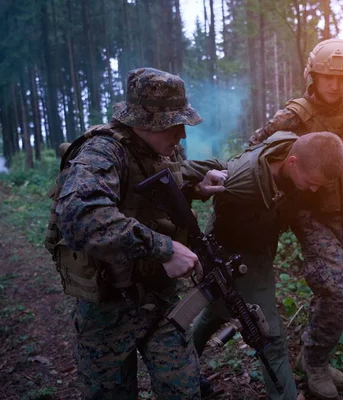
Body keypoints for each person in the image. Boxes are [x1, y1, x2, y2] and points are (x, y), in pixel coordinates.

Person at [51, 67, 227, 400]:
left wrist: (195, 187)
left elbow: (149, 196)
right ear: (146, 123)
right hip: (109, 308)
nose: (182, 135)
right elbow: (80, 217)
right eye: (175, 125)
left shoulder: (163, 150)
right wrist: (164, 248)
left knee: (185, 392)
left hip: (160, 299)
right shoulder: (101, 152)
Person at [248, 38, 343, 400]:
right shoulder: (294, 115)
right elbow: (255, 151)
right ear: (312, 75)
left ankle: (315, 354)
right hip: (309, 213)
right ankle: (315, 364)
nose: (334, 85)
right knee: (340, 289)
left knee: (336, 293)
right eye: (326, 77)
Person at [183, 130, 343, 400]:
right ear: (292, 162)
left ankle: (181, 365)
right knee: (269, 336)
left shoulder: (290, 148)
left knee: (215, 312)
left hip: (258, 249)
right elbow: (184, 173)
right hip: (229, 254)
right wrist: (196, 190)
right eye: (311, 182)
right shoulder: (241, 178)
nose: (314, 189)